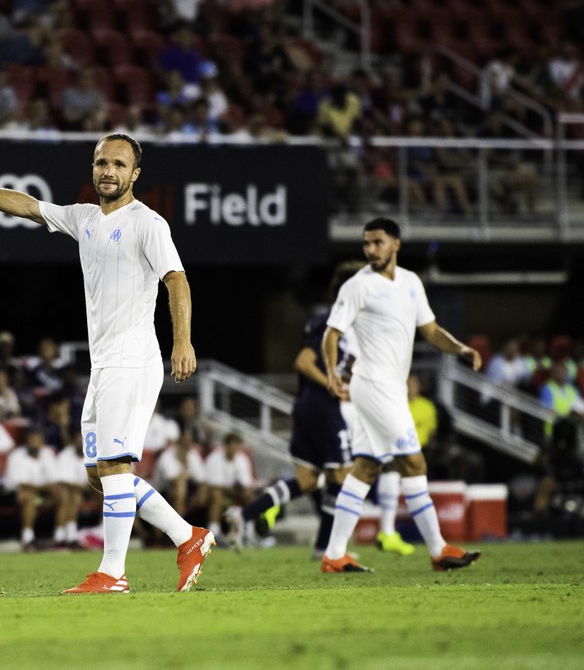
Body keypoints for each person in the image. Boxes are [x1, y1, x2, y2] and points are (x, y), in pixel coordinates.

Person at [0, 132, 214, 594]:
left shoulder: (148, 223)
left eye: (119, 164)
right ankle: (188, 536)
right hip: (103, 368)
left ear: (135, 174)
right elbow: (26, 205)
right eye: (102, 163)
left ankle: (113, 573)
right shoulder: (83, 219)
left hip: (133, 361)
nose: (109, 171)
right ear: (93, 168)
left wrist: (184, 341)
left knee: (117, 467)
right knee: (99, 477)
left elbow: (176, 280)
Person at [320, 217, 482, 573]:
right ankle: (439, 549)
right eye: (366, 243)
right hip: (373, 385)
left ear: (396, 244)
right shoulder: (357, 286)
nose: (370, 249)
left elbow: (432, 330)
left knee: (366, 468)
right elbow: (331, 334)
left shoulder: (411, 282)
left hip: (391, 387)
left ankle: (333, 553)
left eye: (377, 242)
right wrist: (332, 372)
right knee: (415, 462)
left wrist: (460, 349)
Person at [225, 262, 362, 555]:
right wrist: (332, 384)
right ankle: (328, 549)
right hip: (322, 407)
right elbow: (303, 361)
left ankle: (244, 516)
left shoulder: (340, 325)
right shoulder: (329, 322)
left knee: (307, 480)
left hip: (310, 406)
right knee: (341, 476)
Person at [5, 426, 60, 550]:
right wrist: (43, 488)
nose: (34, 442)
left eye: (37, 439)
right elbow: (20, 484)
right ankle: (27, 539)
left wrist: (46, 489)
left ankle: (62, 538)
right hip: (14, 495)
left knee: (63, 495)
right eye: (31, 439)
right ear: (26, 440)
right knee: (29, 496)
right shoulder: (16, 455)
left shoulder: (48, 453)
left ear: (42, 441)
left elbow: (54, 481)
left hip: (41, 496)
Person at [206, 433, 254, 542]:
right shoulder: (214, 458)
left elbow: (246, 484)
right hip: (216, 493)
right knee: (216, 496)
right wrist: (232, 489)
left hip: (234, 493)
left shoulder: (242, 459)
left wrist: (241, 489)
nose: (234, 451)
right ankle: (213, 534)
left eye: (236, 447)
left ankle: (248, 531)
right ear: (226, 446)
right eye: (232, 447)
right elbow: (214, 485)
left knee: (249, 495)